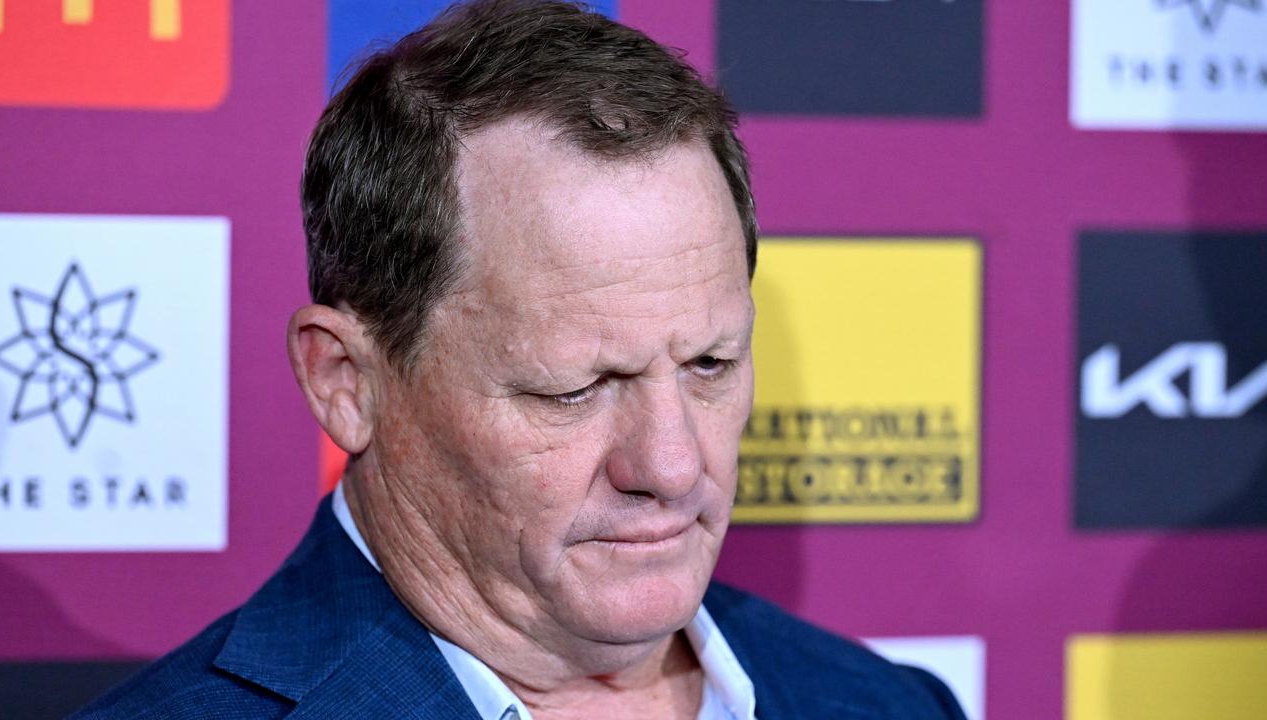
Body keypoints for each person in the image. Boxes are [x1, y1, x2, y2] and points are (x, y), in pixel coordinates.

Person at [77, 2, 965, 718]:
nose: (671, 464)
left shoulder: (889, 704)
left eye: (709, 364)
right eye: (575, 388)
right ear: (347, 382)